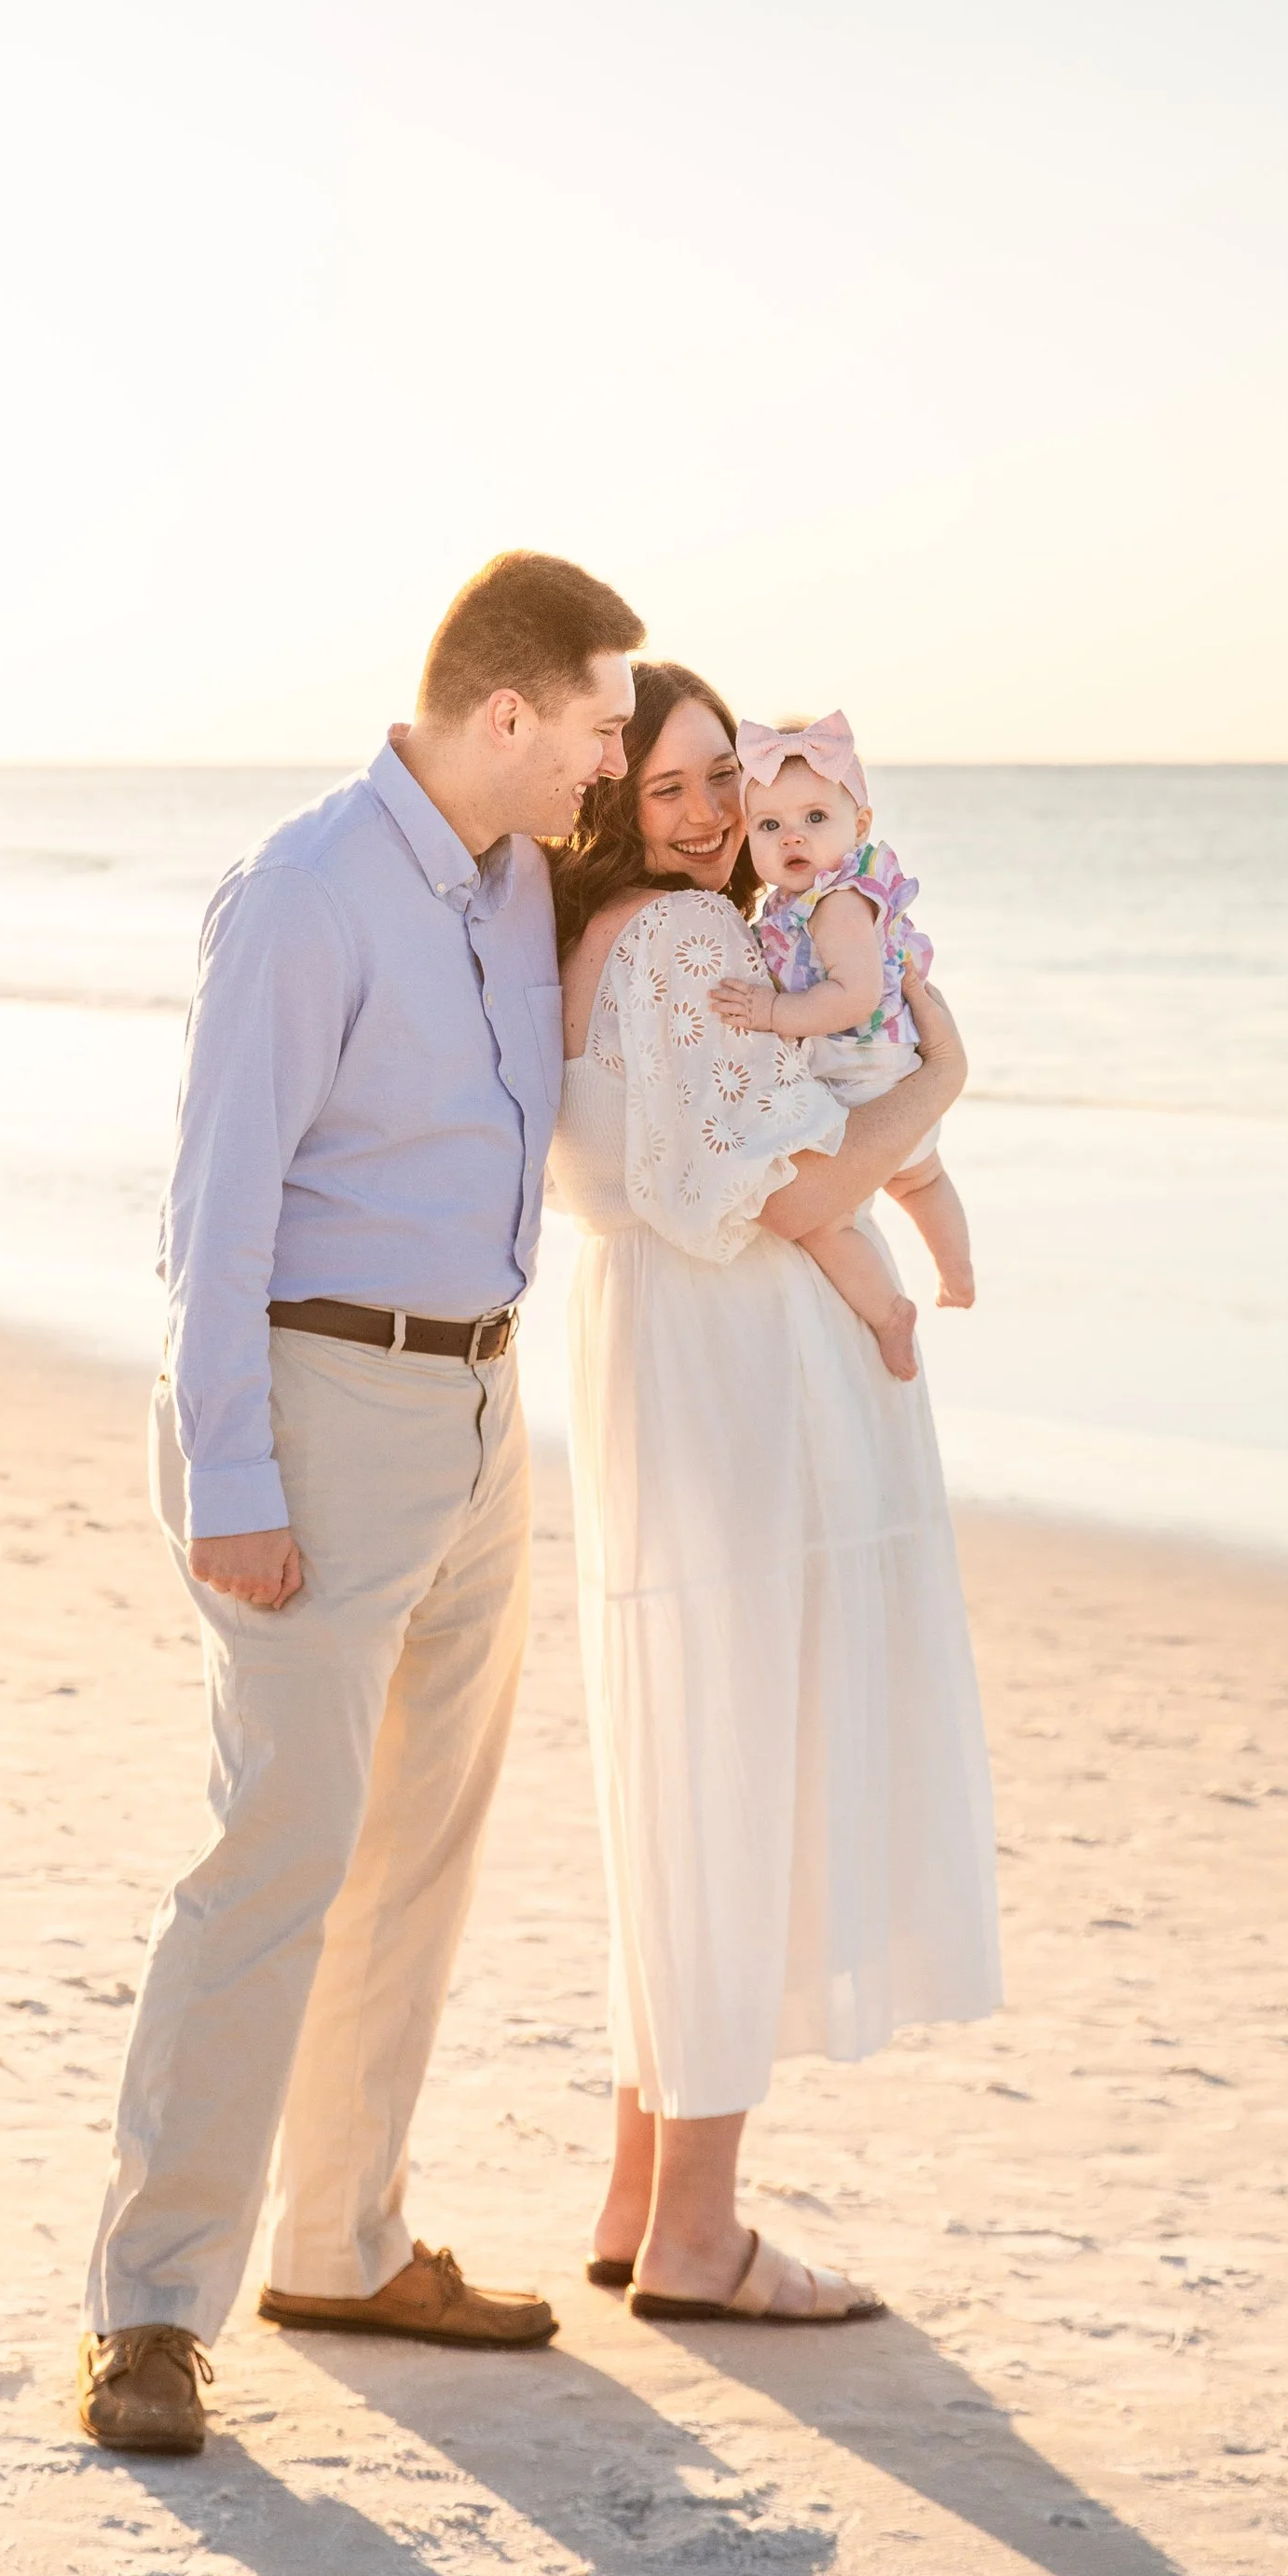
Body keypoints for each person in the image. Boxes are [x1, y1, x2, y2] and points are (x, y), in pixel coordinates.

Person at [77, 549, 646, 2457]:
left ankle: (338, 2240)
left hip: (478, 1409)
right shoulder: (307, 894)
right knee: (273, 1861)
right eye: (594, 728)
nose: (608, 767)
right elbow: (210, 1212)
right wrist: (228, 1471)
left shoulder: (505, 888)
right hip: (314, 1412)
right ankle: (152, 2309)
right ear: (504, 714)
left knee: (417, 1848)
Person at [550, 663, 1002, 2323]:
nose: (711, 815)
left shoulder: (588, 944)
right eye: (667, 787)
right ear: (610, 800)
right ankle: (695, 2233)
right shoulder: (687, 943)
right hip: (743, 1371)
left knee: (686, 1756)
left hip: (670, 1359)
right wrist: (935, 1097)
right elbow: (788, 1177)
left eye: (722, 779)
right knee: (734, 1759)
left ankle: (637, 2195)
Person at [707, 709, 978, 1379]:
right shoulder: (802, 904)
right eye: (770, 826)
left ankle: (889, 1312)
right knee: (922, 1179)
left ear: (859, 826)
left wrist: (772, 1011)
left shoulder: (838, 904)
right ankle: (957, 1273)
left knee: (823, 1220)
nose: (792, 837)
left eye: (814, 819)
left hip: (864, 1078)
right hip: (878, 1072)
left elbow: (853, 996)